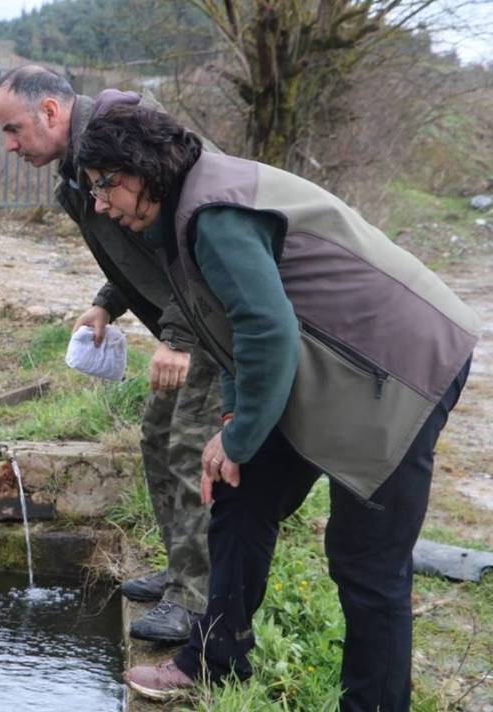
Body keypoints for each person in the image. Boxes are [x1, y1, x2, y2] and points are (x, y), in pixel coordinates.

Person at [76, 98, 478, 710]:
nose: (100, 204)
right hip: (330, 365)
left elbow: (268, 333)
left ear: (142, 169)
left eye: (106, 187)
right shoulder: (182, 212)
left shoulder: (213, 214)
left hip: (399, 369)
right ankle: (216, 660)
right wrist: (238, 422)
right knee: (240, 491)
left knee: (367, 563)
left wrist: (235, 435)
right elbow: (236, 331)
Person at [0, 65, 221, 643]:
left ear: (49, 111)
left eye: (14, 129)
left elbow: (187, 245)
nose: (10, 145)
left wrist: (180, 339)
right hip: (186, 323)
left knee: (190, 447)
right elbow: (132, 246)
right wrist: (105, 303)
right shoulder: (78, 176)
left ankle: (196, 602)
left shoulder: (130, 142)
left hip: (214, 321)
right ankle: (179, 571)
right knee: (157, 437)